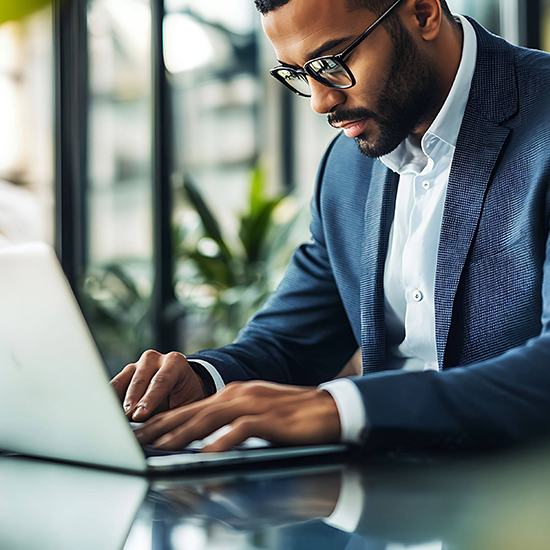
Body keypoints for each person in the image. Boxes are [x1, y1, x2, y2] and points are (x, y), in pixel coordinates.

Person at [112, 0, 550, 453]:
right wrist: (201, 381)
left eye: (334, 62)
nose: (322, 101)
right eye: (299, 73)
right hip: (387, 493)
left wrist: (342, 409)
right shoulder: (347, 166)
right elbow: (291, 342)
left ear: (423, 12)